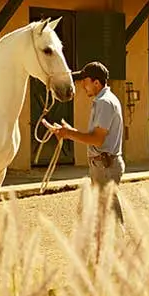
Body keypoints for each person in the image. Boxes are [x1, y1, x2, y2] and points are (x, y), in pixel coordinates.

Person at [43, 61, 125, 226]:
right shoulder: (104, 100)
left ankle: (119, 248)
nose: (82, 86)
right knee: (104, 216)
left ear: (96, 82)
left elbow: (97, 139)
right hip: (103, 165)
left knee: (110, 217)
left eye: (85, 81)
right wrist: (69, 132)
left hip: (105, 166)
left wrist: (68, 133)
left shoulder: (104, 102)